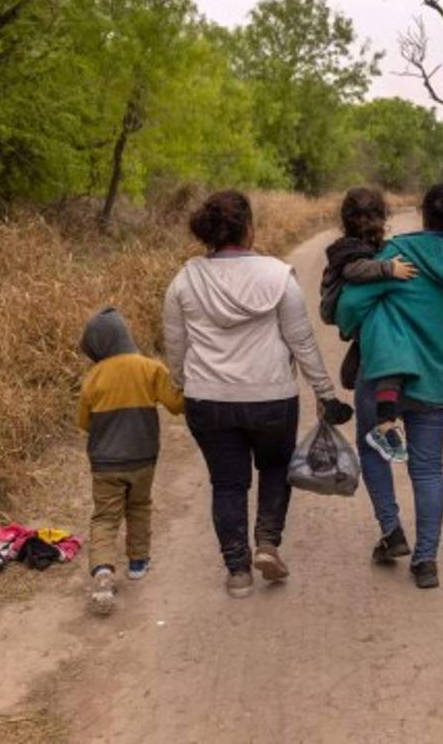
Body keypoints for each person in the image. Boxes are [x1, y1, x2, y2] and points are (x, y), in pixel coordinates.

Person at [163, 190, 352, 599]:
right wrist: (325, 393)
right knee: (275, 467)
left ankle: (237, 571)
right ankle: (267, 542)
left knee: (227, 484)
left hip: (208, 400)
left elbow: (175, 346)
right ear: (248, 228)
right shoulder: (278, 277)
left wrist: (181, 384)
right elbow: (302, 342)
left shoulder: (184, 280)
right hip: (271, 398)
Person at [336, 182, 443, 590]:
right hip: (438, 376)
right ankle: (426, 560)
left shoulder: (398, 254)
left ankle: (391, 531)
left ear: (423, 211)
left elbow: (348, 308)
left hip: (383, 375)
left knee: (373, 450)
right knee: (429, 468)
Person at [77, 306, 184, 615]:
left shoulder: (93, 377)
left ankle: (102, 570)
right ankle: (138, 563)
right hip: (142, 457)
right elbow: (177, 404)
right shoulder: (150, 368)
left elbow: (83, 422)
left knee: (105, 517)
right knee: (139, 506)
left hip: (105, 463)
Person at [320, 186, 418, 462]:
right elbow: (354, 270)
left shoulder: (364, 245)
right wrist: (389, 268)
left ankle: (352, 368)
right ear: (382, 216)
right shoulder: (350, 249)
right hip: (336, 303)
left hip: (346, 311)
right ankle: (383, 420)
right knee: (386, 346)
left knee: (369, 342)